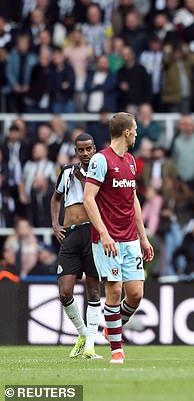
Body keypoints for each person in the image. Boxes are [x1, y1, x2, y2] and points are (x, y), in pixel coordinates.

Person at [84, 112, 154, 364]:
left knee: (135, 294)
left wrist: (143, 237)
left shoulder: (132, 161)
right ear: (126, 132)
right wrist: (103, 233)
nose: (136, 133)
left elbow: (132, 199)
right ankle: (117, 349)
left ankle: (111, 327)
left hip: (131, 239)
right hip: (108, 239)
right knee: (114, 291)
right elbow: (88, 198)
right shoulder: (101, 160)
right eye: (134, 129)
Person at [50, 133, 102, 359]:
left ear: (94, 148)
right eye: (80, 150)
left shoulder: (102, 170)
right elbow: (55, 198)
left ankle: (90, 345)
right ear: (75, 151)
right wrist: (55, 224)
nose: (85, 153)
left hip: (92, 233)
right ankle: (82, 334)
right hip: (70, 234)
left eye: (88, 149)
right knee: (64, 292)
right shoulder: (68, 171)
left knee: (93, 290)